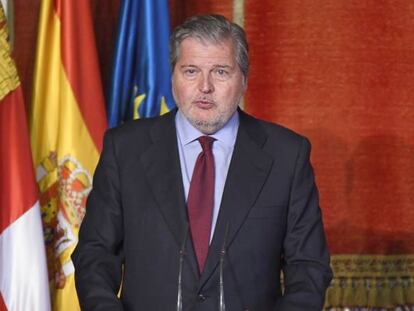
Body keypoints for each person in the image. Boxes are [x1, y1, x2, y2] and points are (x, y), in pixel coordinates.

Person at [72, 14, 332, 311]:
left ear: (244, 79)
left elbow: (309, 267)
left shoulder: (287, 155)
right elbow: (95, 255)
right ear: (173, 77)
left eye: (220, 72)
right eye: (191, 71)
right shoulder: (125, 149)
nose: (205, 86)